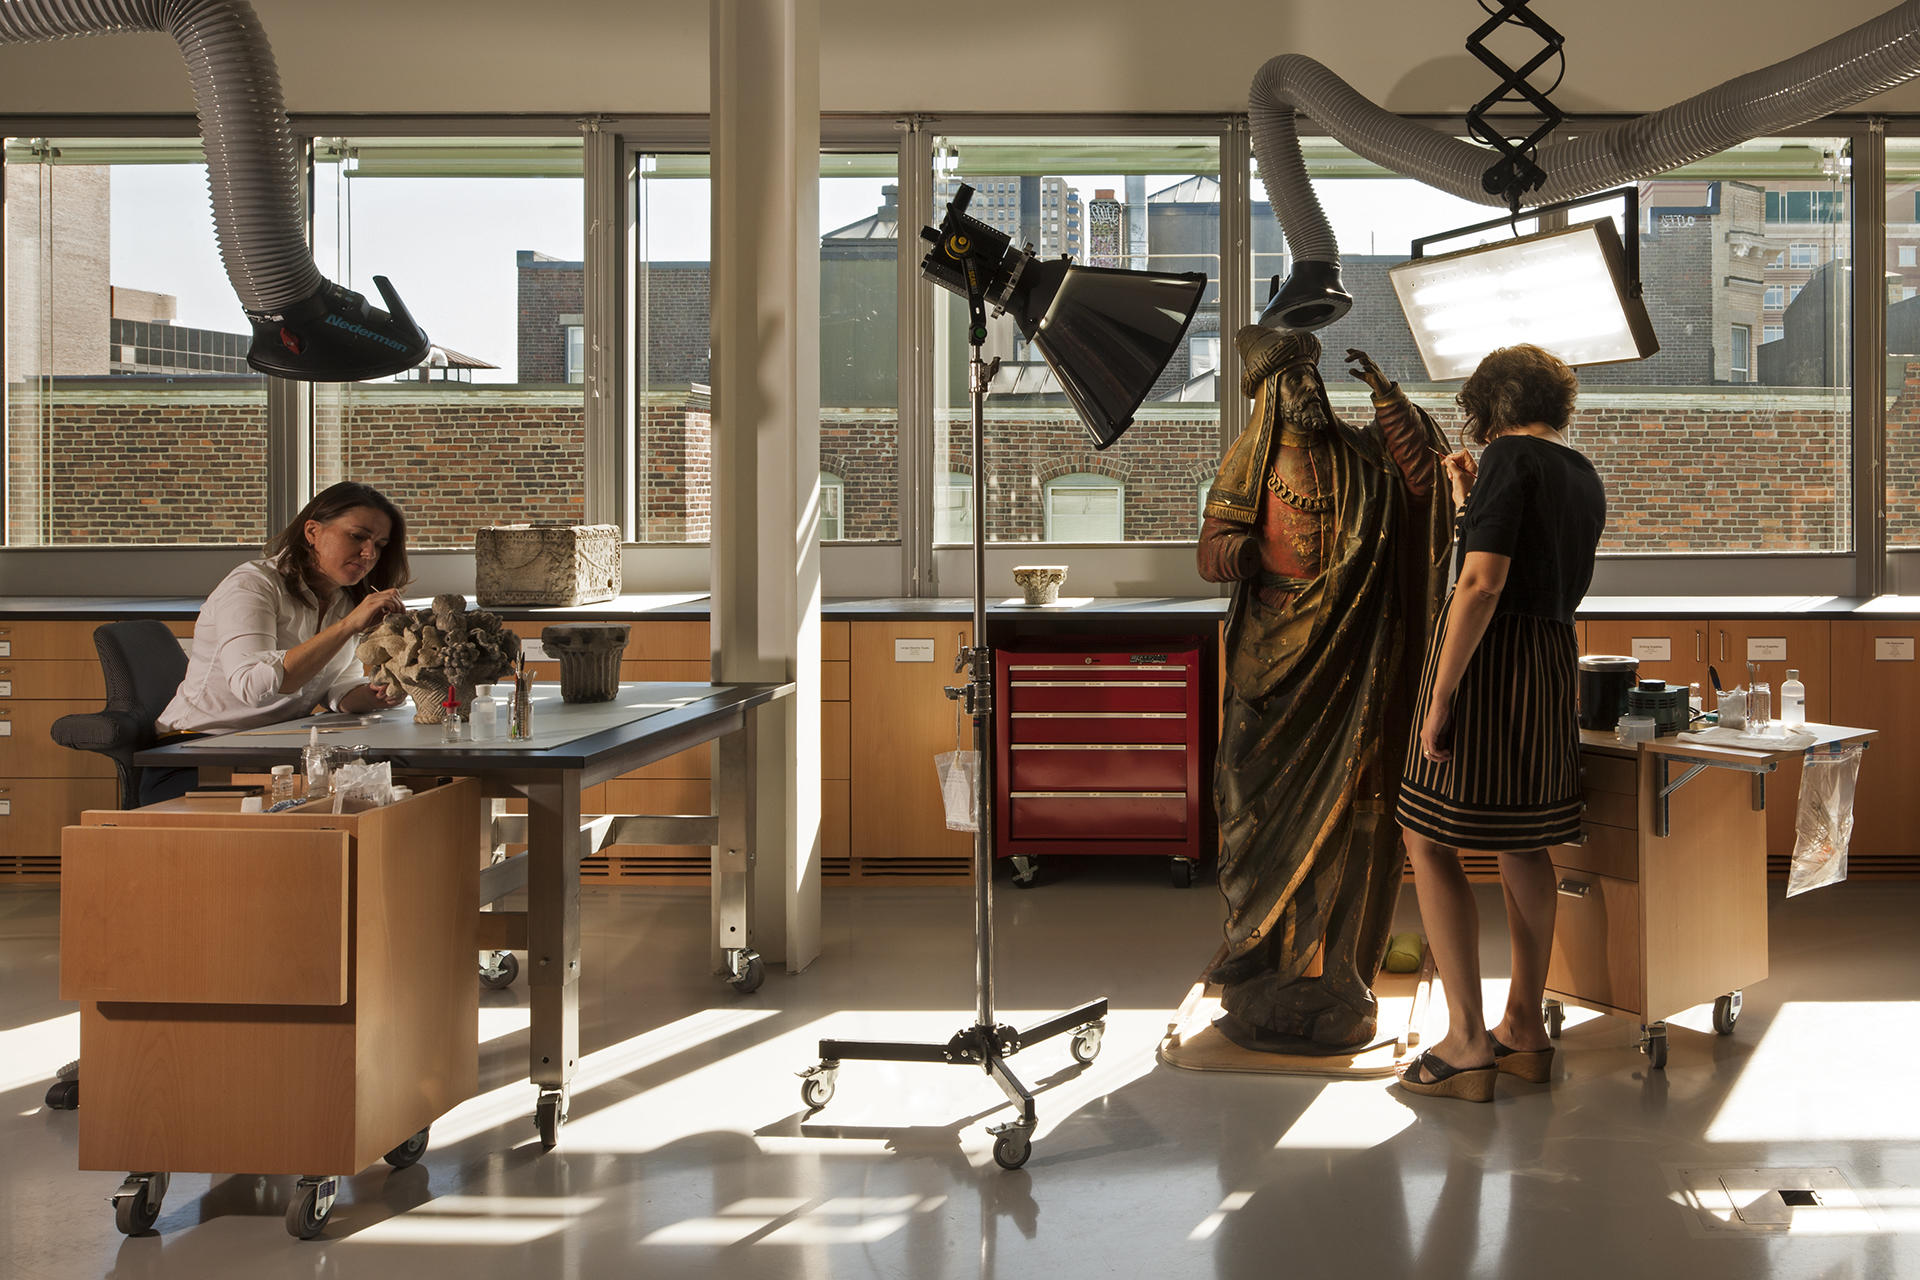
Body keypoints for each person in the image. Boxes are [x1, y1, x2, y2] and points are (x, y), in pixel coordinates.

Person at [1197, 325, 1453, 1053]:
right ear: (1270, 397)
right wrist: (1237, 554)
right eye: (1294, 384)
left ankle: (1341, 974)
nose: (1309, 392)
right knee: (1251, 806)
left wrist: (1391, 403)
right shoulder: (1248, 467)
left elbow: (1422, 481)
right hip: (1271, 665)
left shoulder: (1361, 455)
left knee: (1355, 814)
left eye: (1313, 381)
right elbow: (1210, 549)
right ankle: (1261, 960)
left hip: (1353, 663)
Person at [1394, 344, 1607, 1101]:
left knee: (1426, 835)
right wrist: (1465, 505)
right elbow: (1521, 554)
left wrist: (1442, 694)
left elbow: (1480, 586)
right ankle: (1524, 1027)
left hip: (1488, 663)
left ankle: (1464, 1041)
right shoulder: (1579, 472)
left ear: (1490, 408)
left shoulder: (1507, 462)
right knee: (1524, 843)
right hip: (1548, 660)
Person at [155, 482, 412, 785]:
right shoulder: (252, 586)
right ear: (312, 532)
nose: (369, 553)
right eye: (357, 536)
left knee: (394, 791)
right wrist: (347, 627)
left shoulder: (343, 602)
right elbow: (252, 687)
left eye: (380, 545)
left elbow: (337, 688)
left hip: (271, 749)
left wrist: (378, 694)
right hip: (197, 753)